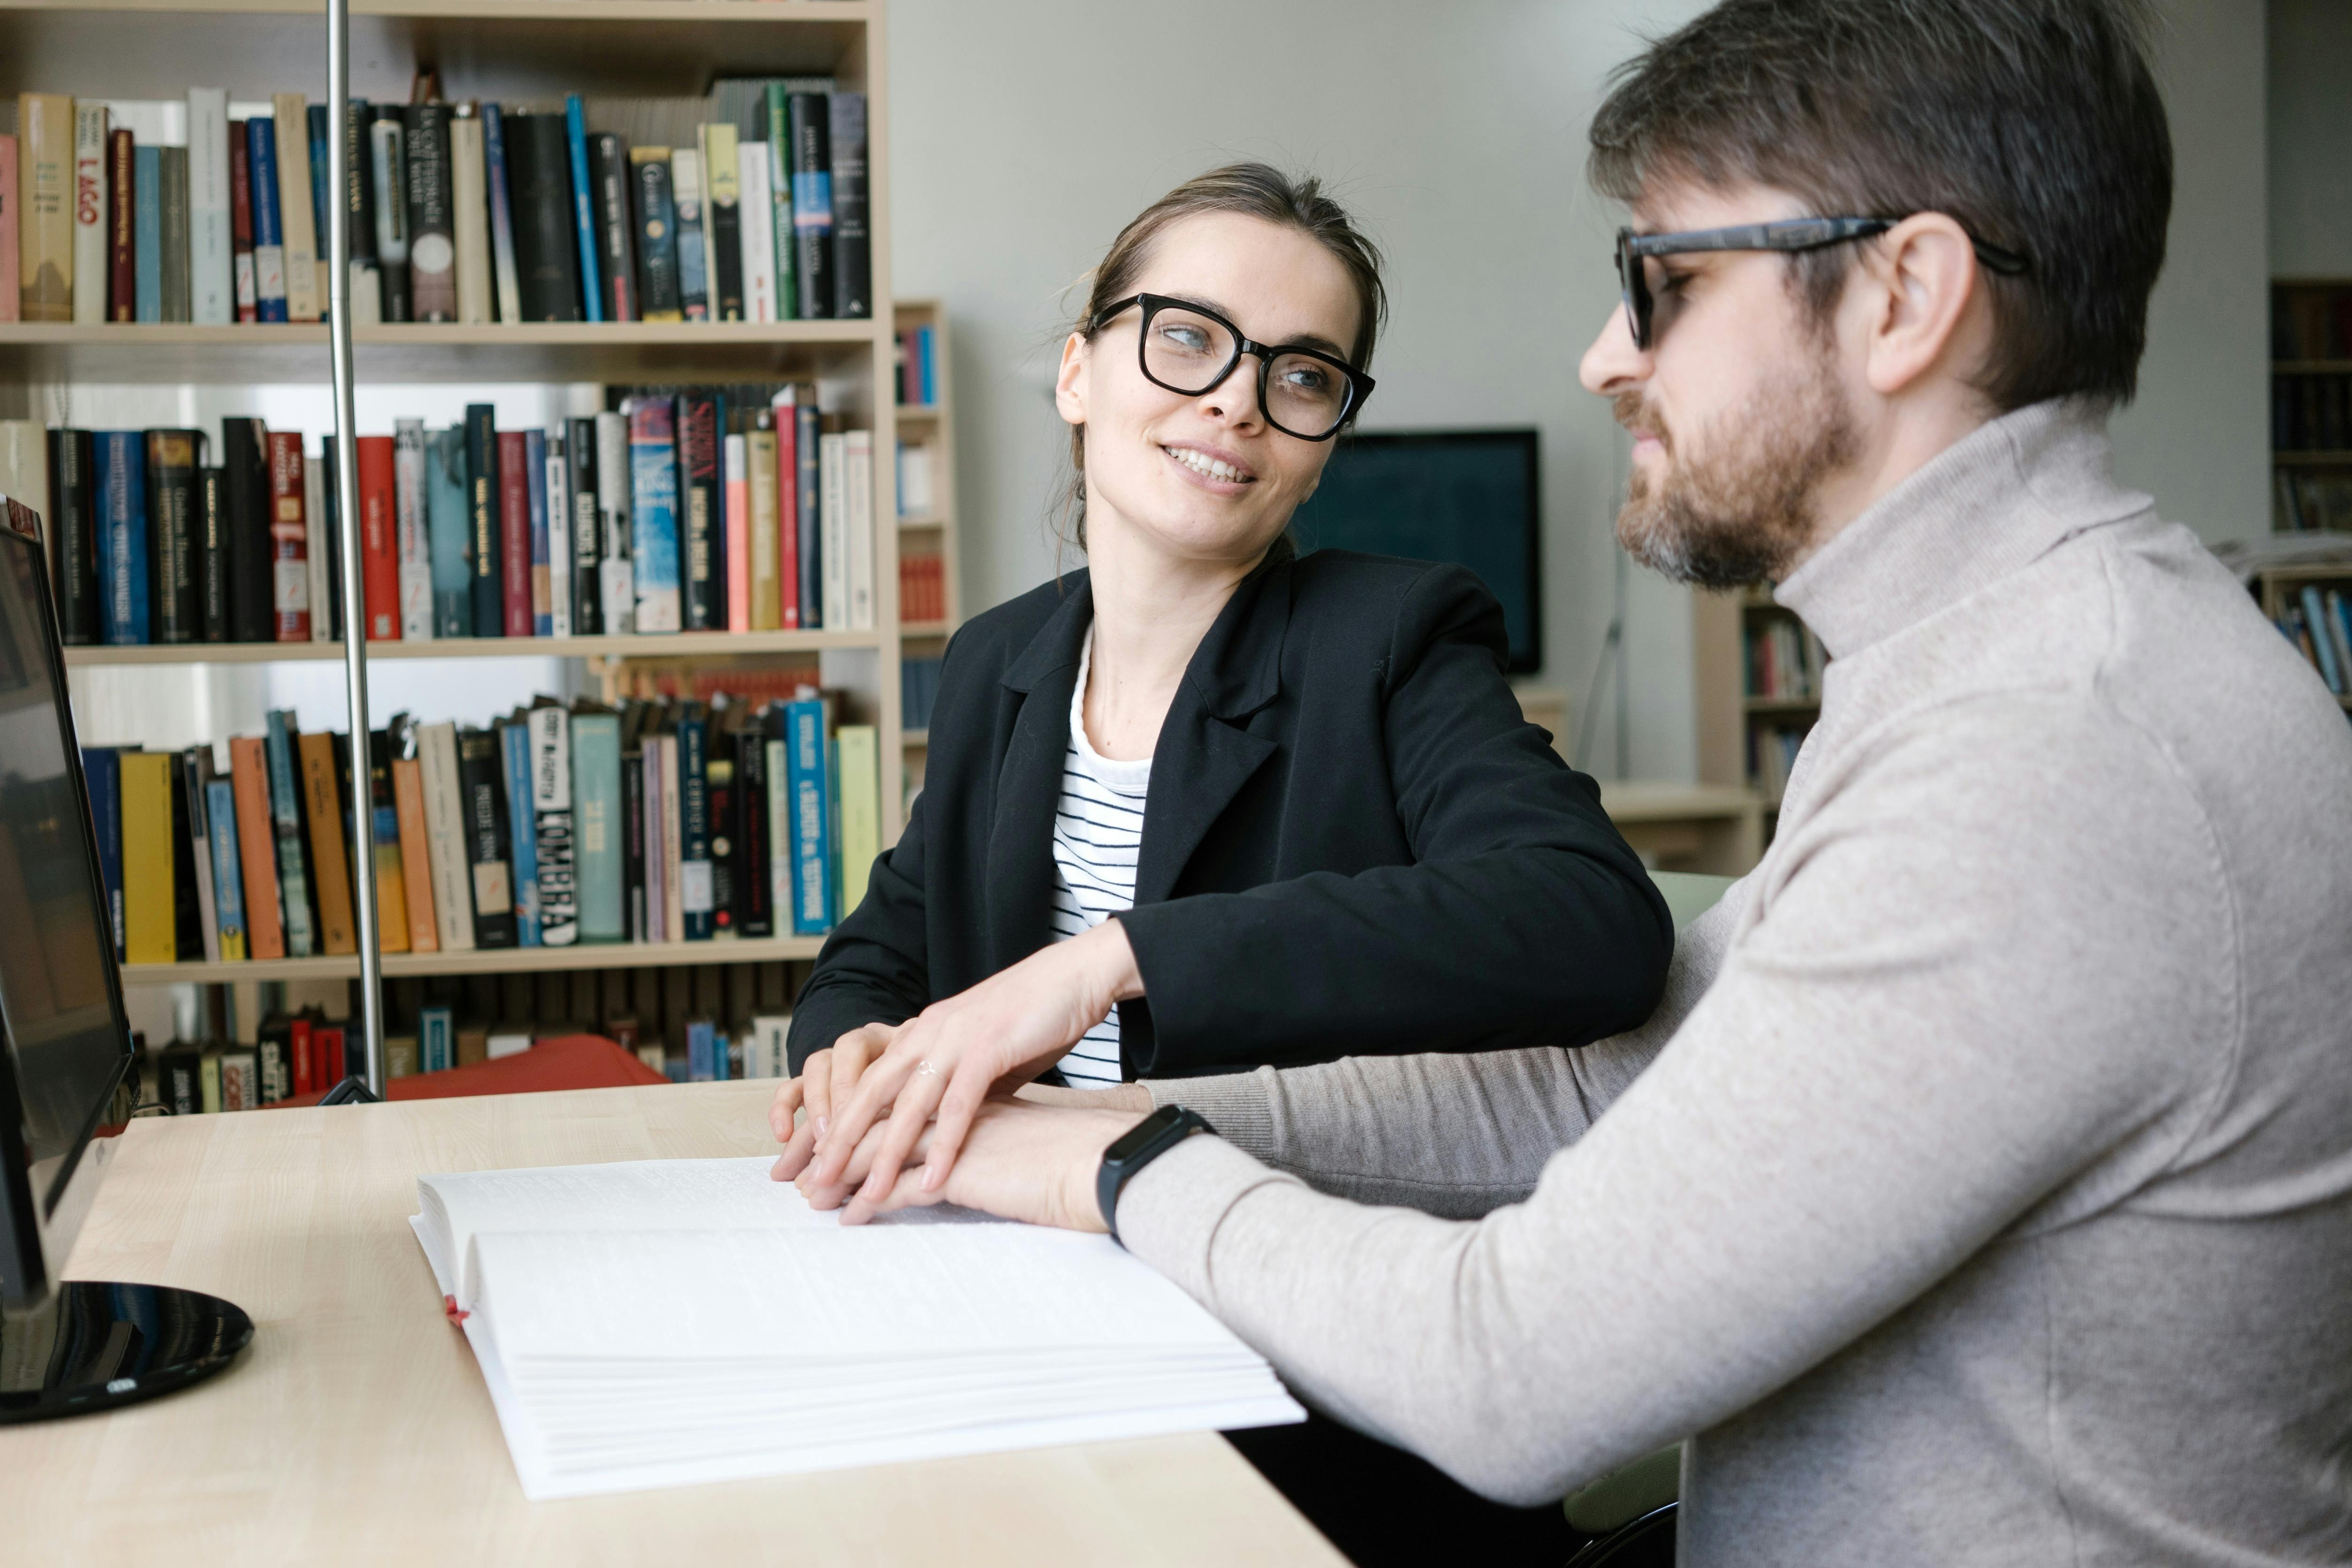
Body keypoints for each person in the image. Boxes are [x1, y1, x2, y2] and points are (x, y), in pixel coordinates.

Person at [778, 4, 2352, 1566]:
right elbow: (1619, 1075)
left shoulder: (2050, 747)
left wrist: (1117, 1162)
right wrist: (1097, 1114)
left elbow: (1514, 1372)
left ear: (1904, 295)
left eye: (1660, 284)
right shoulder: (1985, 671)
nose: (1603, 357)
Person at [777, 164, 1671, 1195]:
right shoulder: (996, 660)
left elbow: (1592, 920)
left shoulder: (1390, 639)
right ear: (1078, 374)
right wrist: (852, 1051)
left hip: (1272, 1241)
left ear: (1323, 446)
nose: (1236, 402)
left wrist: (1112, 958)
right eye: (1189, 337)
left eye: (1300, 377)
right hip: (1014, 1233)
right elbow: (873, 959)